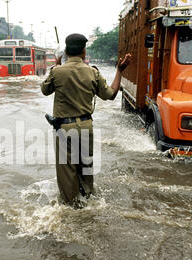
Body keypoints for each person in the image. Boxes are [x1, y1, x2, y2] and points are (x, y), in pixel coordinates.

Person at [41, 33, 131, 206]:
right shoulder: (93, 72)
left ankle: (70, 208)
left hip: (64, 129)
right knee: (86, 170)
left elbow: (45, 90)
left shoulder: (57, 72)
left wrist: (55, 67)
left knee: (67, 173)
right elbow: (111, 94)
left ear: (66, 51)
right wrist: (119, 71)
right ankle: (88, 202)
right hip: (85, 128)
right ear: (84, 52)